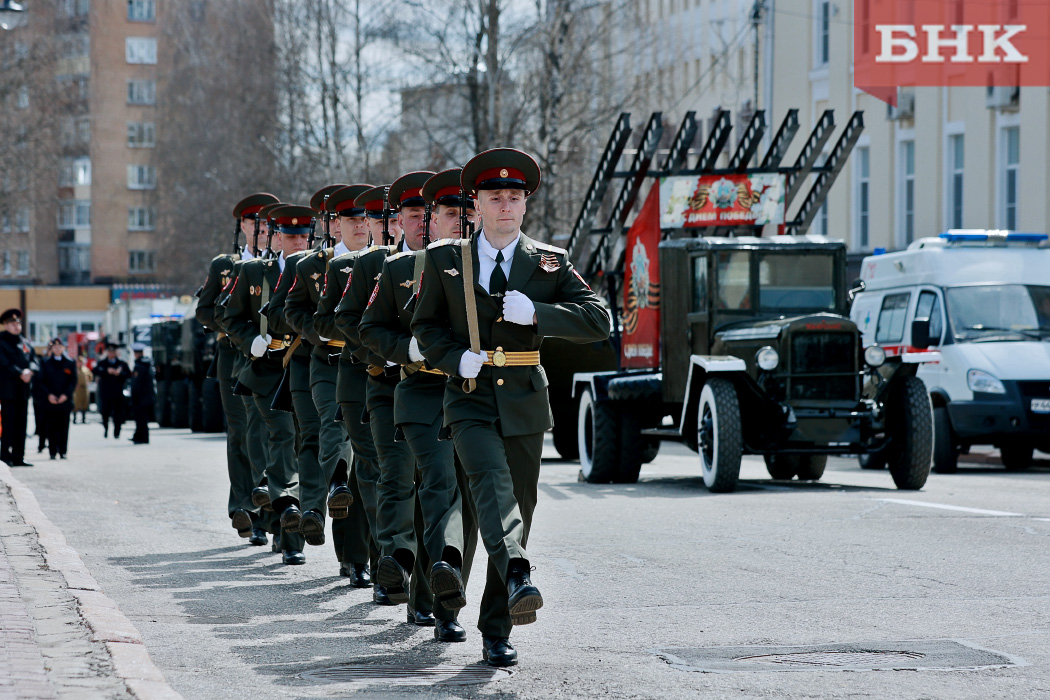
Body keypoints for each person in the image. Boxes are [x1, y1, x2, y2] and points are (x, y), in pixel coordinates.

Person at [412, 149, 611, 667]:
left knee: (517, 509)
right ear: (475, 205)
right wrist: (456, 359)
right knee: (493, 484)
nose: (506, 206)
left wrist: (538, 312)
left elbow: (598, 320)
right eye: (495, 197)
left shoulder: (548, 261)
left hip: (524, 401)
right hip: (470, 400)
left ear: (525, 206)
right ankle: (520, 571)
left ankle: (496, 627)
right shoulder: (445, 260)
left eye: (515, 197)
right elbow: (426, 328)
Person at [359, 168, 481, 642]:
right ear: (431, 218)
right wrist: (406, 349)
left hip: (478, 396)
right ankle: (447, 606)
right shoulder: (399, 270)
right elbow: (369, 328)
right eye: (452, 213)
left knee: (467, 506)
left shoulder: (491, 265)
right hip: (424, 393)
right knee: (441, 487)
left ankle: (428, 598)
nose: (461, 221)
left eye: (467, 212)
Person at [335, 182, 436, 622]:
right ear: (397, 221)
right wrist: (396, 352)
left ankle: (424, 591)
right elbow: (348, 319)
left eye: (426, 215)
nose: (420, 224)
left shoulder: (455, 263)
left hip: (440, 392)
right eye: (411, 216)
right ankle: (391, 565)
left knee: (434, 488)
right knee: (392, 477)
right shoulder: (375, 264)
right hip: (387, 384)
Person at [282, 183, 375, 584]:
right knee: (334, 431)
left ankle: (358, 557)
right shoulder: (310, 266)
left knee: (367, 462)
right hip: (328, 364)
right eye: (351, 220)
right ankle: (325, 494)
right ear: (336, 224)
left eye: (363, 218)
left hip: (370, 366)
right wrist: (322, 332)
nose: (359, 226)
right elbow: (288, 309)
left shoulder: (384, 263)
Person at [223, 203, 312, 565]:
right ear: (276, 237)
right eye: (289, 236)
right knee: (280, 440)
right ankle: (285, 524)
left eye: (303, 236)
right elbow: (230, 316)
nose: (296, 243)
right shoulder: (253, 272)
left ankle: (287, 531)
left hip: (302, 370)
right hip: (265, 370)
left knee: (295, 447)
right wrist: (250, 341)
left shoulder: (318, 271)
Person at [202, 193, 280, 546]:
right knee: (240, 432)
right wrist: (231, 326)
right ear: (244, 227)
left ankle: (268, 505)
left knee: (268, 431)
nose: (261, 229)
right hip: (233, 357)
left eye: (266, 223)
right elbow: (206, 311)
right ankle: (245, 506)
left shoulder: (283, 263)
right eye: (254, 223)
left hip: (270, 358)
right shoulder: (225, 266)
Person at [0, 308, 39, 467]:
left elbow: (35, 360)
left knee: (22, 424)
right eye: (12, 323)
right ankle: (4, 456)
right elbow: (3, 363)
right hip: (7, 390)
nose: (16, 326)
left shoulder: (26, 342)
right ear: (5, 325)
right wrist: (20, 373)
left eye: (17, 322)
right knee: (8, 424)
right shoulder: (1, 341)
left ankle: (18, 456)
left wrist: (30, 370)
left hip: (23, 390)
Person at [38, 337, 77, 460]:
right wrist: (49, 394)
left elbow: (73, 381)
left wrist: (66, 395)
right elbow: (41, 381)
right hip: (50, 399)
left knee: (64, 426)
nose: (57, 349)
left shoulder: (70, 362)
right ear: (52, 348)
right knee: (51, 426)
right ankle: (52, 451)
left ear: (63, 348)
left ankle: (63, 450)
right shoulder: (45, 362)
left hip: (64, 399)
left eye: (59, 346)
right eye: (54, 347)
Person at [92, 343, 131, 439]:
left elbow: (128, 374)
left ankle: (117, 431)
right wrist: (107, 371)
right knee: (105, 412)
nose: (111, 354)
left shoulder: (121, 363)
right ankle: (106, 428)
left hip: (117, 392)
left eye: (113, 352)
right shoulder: (103, 363)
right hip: (105, 392)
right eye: (109, 352)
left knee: (118, 413)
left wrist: (119, 373)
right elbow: (95, 371)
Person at [129, 344, 155, 444]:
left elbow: (137, 383)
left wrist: (134, 395)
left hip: (141, 397)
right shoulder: (146, 363)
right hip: (145, 397)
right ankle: (139, 436)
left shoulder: (140, 365)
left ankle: (142, 438)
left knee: (141, 418)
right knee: (141, 418)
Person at [73, 355, 91, 424]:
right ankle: (75, 418)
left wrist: (88, 381)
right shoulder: (74, 369)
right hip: (77, 389)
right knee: (76, 404)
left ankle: (84, 418)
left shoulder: (85, 369)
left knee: (85, 404)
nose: (80, 363)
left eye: (81, 362)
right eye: (79, 362)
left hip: (85, 388)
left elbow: (90, 376)